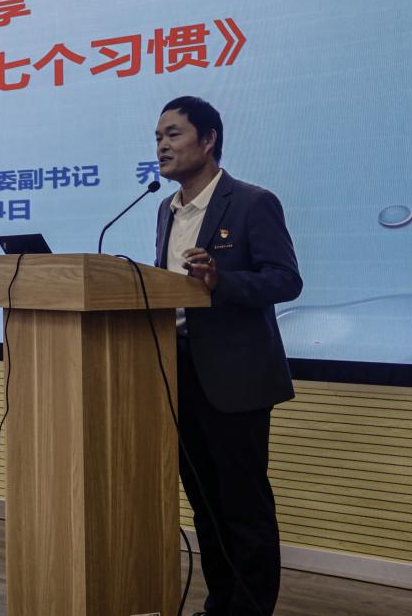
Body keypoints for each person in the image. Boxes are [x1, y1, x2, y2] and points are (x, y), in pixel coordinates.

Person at [153, 95, 302, 616]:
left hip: (235, 377)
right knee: (205, 503)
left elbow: (285, 280)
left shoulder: (252, 202)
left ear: (209, 138)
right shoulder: (165, 209)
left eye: (173, 134)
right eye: (158, 137)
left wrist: (222, 282)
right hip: (179, 373)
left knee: (243, 503)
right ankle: (221, 605)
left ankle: (251, 610)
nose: (162, 146)